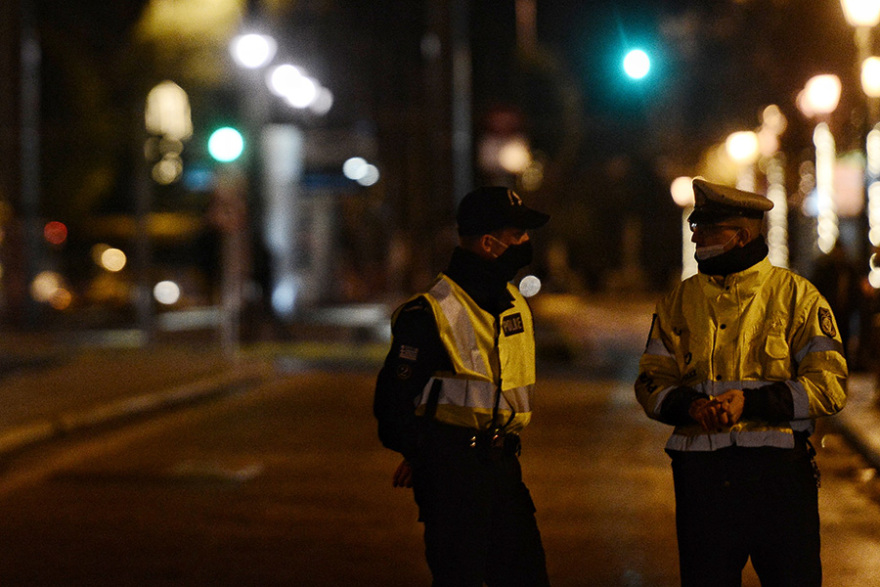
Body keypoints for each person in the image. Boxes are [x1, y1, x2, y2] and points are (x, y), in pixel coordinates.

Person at [634, 178, 848, 587]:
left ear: (741, 236)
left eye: (708, 229)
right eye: (696, 227)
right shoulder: (678, 301)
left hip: (778, 482)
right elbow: (650, 382)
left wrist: (749, 405)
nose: (695, 235)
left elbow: (830, 385)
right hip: (703, 483)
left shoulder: (797, 298)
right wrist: (690, 406)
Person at [374, 186, 551, 587]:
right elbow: (393, 408)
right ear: (489, 244)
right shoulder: (429, 312)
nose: (526, 243)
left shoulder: (513, 302)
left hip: (505, 472)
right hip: (455, 484)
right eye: (517, 235)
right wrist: (429, 456)